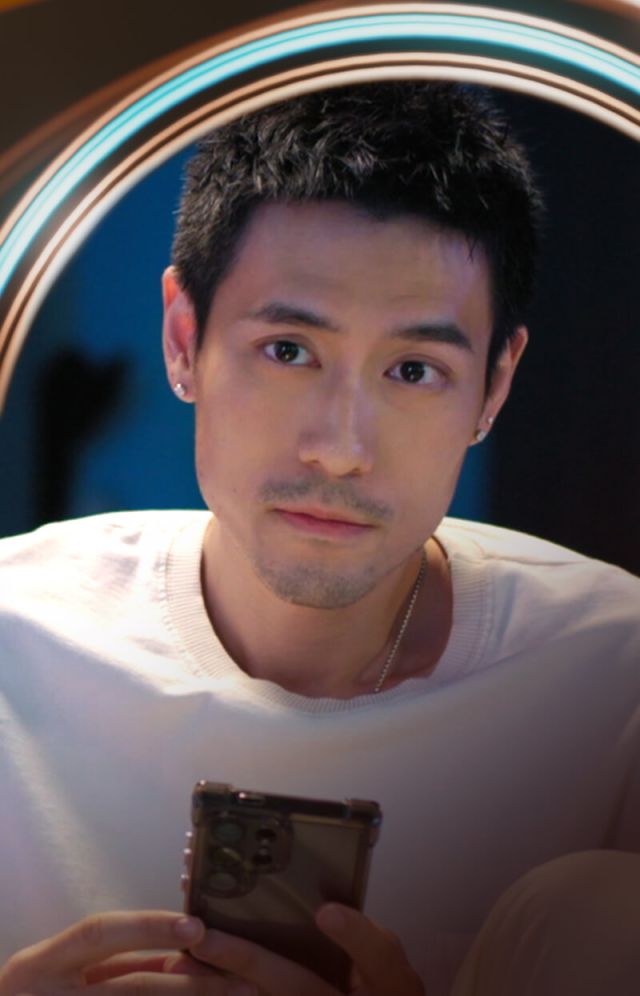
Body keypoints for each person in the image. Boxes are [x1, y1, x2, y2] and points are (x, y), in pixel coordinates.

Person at [0, 81, 639, 996]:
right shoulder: (17, 635)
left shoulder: (614, 684)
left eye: (414, 370)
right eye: (289, 351)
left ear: (495, 387)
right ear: (184, 338)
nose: (340, 450)